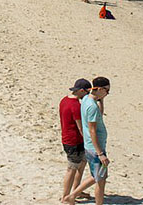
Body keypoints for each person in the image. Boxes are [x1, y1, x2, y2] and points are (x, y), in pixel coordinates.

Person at [63, 77, 111, 205]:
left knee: (100, 177)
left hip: (92, 147)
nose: (107, 93)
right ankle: (72, 196)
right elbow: (92, 130)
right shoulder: (91, 106)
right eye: (107, 90)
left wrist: (101, 101)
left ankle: (76, 196)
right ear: (100, 89)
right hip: (95, 148)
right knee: (99, 177)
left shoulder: (86, 100)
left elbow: (98, 115)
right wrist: (100, 153)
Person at [59, 78, 91, 202]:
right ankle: (66, 196)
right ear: (82, 91)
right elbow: (80, 127)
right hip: (74, 141)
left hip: (68, 138)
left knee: (81, 164)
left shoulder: (64, 100)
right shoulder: (76, 106)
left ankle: (77, 190)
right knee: (72, 169)